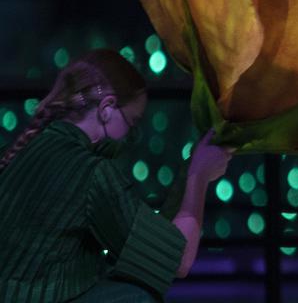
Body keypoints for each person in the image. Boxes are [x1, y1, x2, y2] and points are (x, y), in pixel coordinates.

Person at [0, 49, 232, 302]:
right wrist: (199, 175)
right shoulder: (90, 172)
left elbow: (144, 240)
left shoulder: (21, 150)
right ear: (107, 108)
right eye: (131, 123)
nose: (129, 136)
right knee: (139, 297)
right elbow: (179, 260)